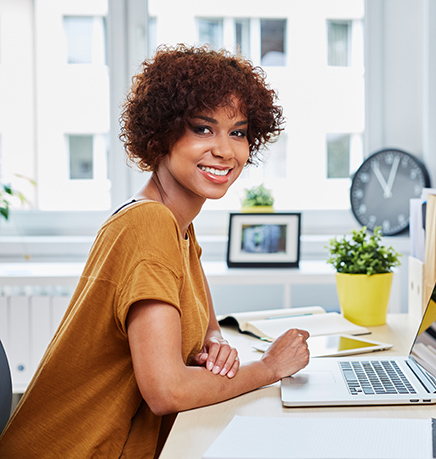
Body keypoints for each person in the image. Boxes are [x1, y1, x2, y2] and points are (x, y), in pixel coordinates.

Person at [0, 45, 310, 458]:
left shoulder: (178, 226)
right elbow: (166, 390)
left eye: (237, 132)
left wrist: (212, 343)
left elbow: (206, 323)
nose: (224, 150)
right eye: (203, 128)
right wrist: (269, 368)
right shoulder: (150, 226)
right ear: (162, 135)